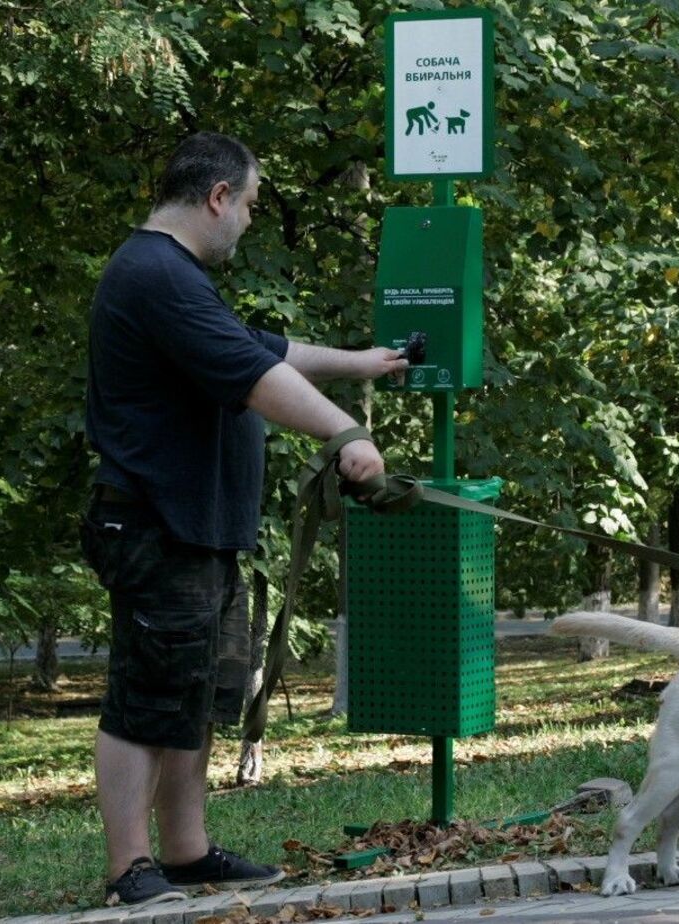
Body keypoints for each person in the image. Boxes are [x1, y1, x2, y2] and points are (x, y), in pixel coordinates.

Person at [81, 131, 407, 908]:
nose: (251, 222)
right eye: (252, 206)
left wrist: (360, 362)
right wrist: (348, 436)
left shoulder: (174, 278)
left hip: (195, 528)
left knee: (193, 694)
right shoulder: (156, 274)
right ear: (218, 197)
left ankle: (186, 853)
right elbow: (256, 376)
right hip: (157, 526)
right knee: (146, 697)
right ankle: (131, 866)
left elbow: (263, 347)